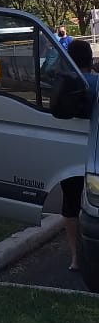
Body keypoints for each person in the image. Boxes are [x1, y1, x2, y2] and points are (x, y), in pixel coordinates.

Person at [60, 39, 98, 271]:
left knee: (70, 204)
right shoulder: (96, 83)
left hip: (68, 153)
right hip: (94, 152)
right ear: (90, 59)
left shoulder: (64, 85)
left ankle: (75, 257)